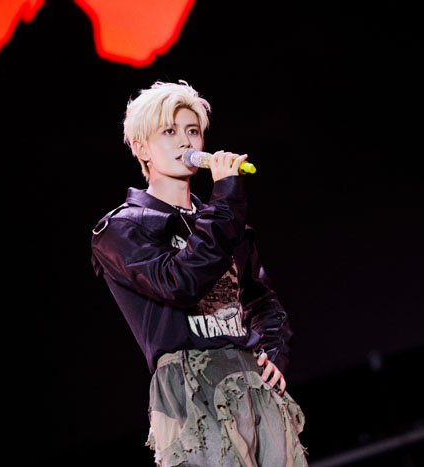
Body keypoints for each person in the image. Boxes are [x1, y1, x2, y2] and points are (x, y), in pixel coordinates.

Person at [90, 80, 307, 466]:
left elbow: (262, 300)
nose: (184, 141)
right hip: (192, 388)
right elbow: (180, 282)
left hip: (250, 383)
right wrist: (226, 200)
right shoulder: (122, 229)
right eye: (168, 131)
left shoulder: (223, 219)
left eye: (192, 131)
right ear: (141, 148)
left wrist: (272, 353)